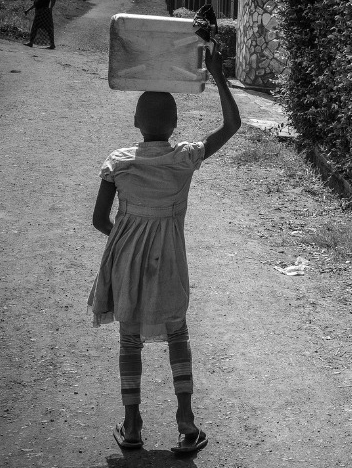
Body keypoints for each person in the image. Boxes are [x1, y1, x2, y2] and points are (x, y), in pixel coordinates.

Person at [87, 42, 241, 454]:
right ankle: (186, 423)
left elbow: (100, 220)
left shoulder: (118, 162)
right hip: (171, 265)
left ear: (136, 122)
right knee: (178, 335)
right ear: (175, 124)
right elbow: (231, 126)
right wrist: (218, 75)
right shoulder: (184, 158)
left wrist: (128, 241)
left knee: (129, 340)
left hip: (126, 266)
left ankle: (132, 425)